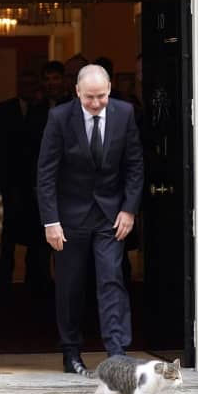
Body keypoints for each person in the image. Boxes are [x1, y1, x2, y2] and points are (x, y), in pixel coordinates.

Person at [36, 64, 143, 373]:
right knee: (70, 286)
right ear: (77, 92)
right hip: (69, 218)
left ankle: (117, 351)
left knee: (112, 279)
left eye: (101, 96)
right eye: (89, 98)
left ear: (109, 90)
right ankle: (71, 352)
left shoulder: (124, 114)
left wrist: (129, 209)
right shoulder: (59, 118)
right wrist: (50, 221)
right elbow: (46, 172)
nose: (96, 104)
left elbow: (135, 164)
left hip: (111, 215)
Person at [0, 67, 51, 297]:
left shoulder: (42, 109)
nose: (27, 87)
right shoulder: (5, 108)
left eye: (31, 83)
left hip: (36, 180)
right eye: (23, 83)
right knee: (9, 228)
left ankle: (35, 279)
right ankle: (4, 280)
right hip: (12, 178)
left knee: (36, 229)